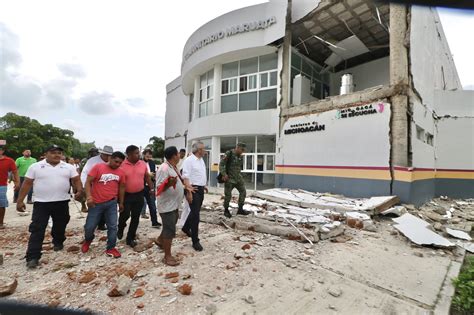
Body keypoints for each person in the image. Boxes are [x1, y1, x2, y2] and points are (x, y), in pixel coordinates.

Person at [17, 145, 83, 269]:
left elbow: (76, 180)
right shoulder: (35, 167)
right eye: (53, 152)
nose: (57, 155)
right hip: (41, 203)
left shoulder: (68, 167)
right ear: (46, 154)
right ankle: (33, 257)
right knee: (37, 228)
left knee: (61, 223)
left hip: (62, 202)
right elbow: (27, 184)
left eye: (59, 152)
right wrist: (20, 201)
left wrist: (79, 190)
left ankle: (58, 241)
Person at [81, 151, 126, 258]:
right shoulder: (98, 167)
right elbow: (88, 182)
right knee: (90, 226)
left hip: (111, 203)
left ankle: (111, 247)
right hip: (96, 203)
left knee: (113, 226)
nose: (118, 164)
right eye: (116, 162)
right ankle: (88, 240)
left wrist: (121, 202)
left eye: (120, 163)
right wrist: (89, 197)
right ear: (110, 159)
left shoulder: (121, 172)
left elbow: (122, 187)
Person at [155, 146, 189, 266]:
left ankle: (160, 240)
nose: (180, 155)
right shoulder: (164, 169)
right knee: (170, 229)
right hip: (166, 205)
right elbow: (158, 188)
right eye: (178, 153)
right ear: (175, 155)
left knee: (171, 223)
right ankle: (167, 256)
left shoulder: (173, 167)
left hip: (174, 204)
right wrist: (169, 184)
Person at [118, 145, 154, 248]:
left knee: (135, 217)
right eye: (136, 153)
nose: (139, 155)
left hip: (139, 194)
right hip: (126, 195)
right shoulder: (122, 165)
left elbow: (147, 177)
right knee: (125, 215)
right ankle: (120, 227)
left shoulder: (142, 164)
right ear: (129, 154)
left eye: (139, 152)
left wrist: (151, 188)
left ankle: (130, 238)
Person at [181, 142, 207, 251]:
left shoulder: (201, 160)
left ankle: (186, 227)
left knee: (195, 211)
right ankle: (195, 241)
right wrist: (189, 192)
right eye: (203, 149)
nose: (204, 151)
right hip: (192, 189)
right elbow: (185, 176)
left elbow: (200, 174)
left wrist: (203, 185)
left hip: (200, 188)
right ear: (198, 150)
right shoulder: (189, 160)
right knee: (196, 215)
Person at [80, 146, 113, 228]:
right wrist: (84, 186)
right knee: (94, 206)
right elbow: (85, 173)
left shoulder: (112, 162)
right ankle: (90, 224)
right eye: (106, 155)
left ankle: (101, 224)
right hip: (93, 186)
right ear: (102, 153)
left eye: (110, 155)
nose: (108, 157)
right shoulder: (92, 161)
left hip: (106, 187)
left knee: (106, 206)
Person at [219, 142, 251, 218]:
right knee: (228, 195)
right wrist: (224, 174)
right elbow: (221, 164)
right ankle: (226, 210)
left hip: (238, 178)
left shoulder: (240, 156)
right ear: (238, 147)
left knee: (243, 192)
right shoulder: (229, 153)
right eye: (242, 149)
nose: (243, 151)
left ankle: (240, 209)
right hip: (229, 179)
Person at [0, 144, 20, 229]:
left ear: (2, 151)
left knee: (1, 204)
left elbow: (15, 172)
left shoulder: (9, 161)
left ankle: (0, 223)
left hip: (2, 185)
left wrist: (17, 182)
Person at [140, 149, 161, 228]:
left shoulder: (152, 163)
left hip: (150, 186)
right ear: (143, 154)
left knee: (152, 205)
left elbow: (155, 173)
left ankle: (154, 222)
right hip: (141, 186)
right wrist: (148, 175)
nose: (148, 156)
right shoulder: (139, 163)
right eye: (147, 154)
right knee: (139, 204)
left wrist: (154, 177)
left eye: (150, 155)